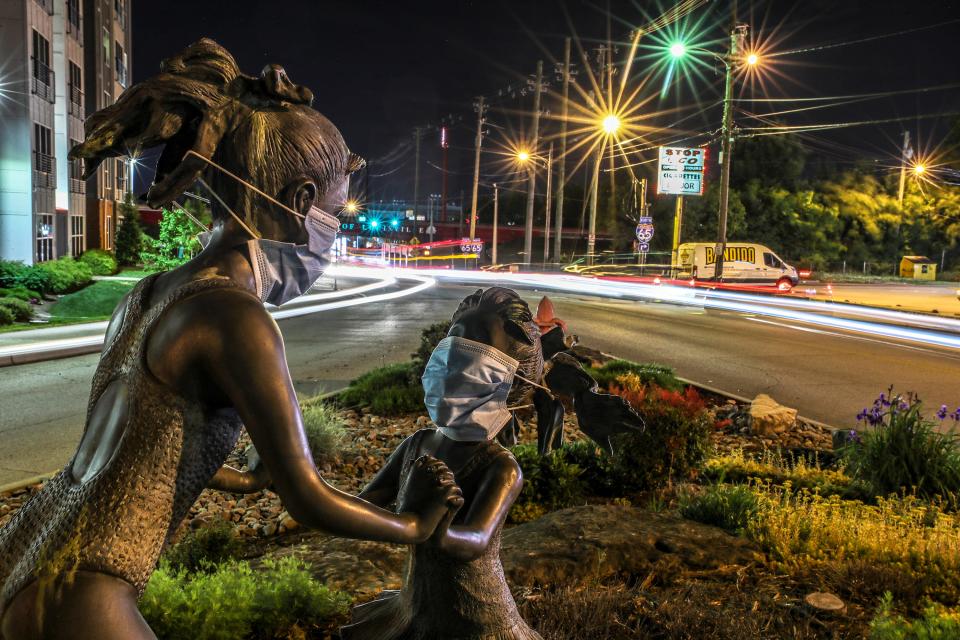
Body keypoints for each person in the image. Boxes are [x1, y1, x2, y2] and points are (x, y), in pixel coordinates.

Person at [0, 39, 460, 640]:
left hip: (31, 546)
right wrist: (415, 525)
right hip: (89, 587)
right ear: (299, 203)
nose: (332, 232)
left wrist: (243, 478)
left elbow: (137, 443)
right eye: (334, 214)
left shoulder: (151, 292)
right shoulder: (235, 318)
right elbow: (307, 498)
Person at [341, 300, 543, 640]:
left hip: (474, 615)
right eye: (451, 341)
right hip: (417, 600)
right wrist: (297, 479)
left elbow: (476, 541)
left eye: (475, 347)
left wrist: (434, 521)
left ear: (511, 378)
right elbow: (364, 505)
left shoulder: (502, 467)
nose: (450, 358)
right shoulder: (417, 443)